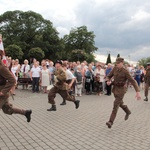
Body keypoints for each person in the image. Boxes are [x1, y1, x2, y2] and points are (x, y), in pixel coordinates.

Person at [105, 57, 141, 128]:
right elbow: (108, 76)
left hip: (121, 90)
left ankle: (110, 122)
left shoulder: (125, 71)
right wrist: (108, 81)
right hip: (115, 89)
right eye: (116, 63)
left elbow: (133, 81)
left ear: (122, 63)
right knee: (120, 104)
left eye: (118, 63)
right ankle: (127, 111)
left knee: (115, 104)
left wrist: (137, 91)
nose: (117, 64)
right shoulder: (115, 68)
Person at [0, 50, 32, 122]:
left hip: (2, 93)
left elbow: (12, 80)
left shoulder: (2, 68)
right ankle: (26, 112)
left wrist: (3, 92)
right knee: (7, 110)